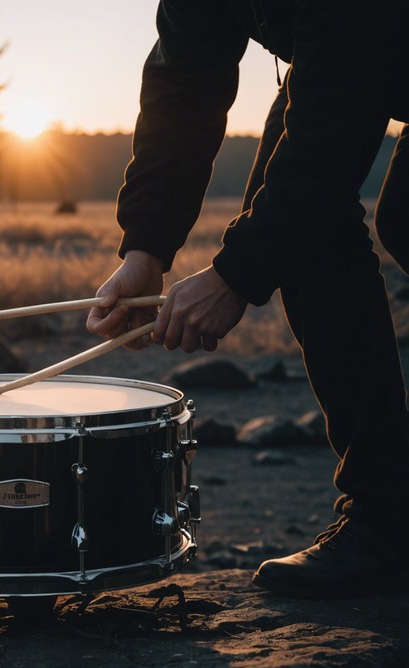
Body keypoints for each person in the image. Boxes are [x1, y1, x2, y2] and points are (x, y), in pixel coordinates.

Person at [86, 0, 409, 599]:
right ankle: (389, 518)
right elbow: (184, 86)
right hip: (356, 65)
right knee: (309, 232)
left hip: (359, 57)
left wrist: (236, 275)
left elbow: (341, 101)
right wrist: (145, 252)